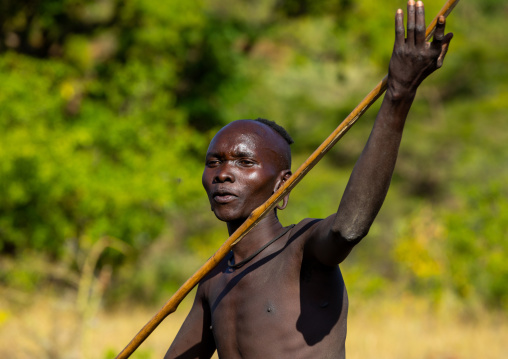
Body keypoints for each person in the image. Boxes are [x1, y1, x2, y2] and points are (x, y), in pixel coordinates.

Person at [165, 1, 453, 358]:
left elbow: (348, 229)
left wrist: (398, 94)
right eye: (214, 162)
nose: (224, 173)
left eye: (244, 161)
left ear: (282, 184)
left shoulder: (302, 250)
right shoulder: (212, 281)